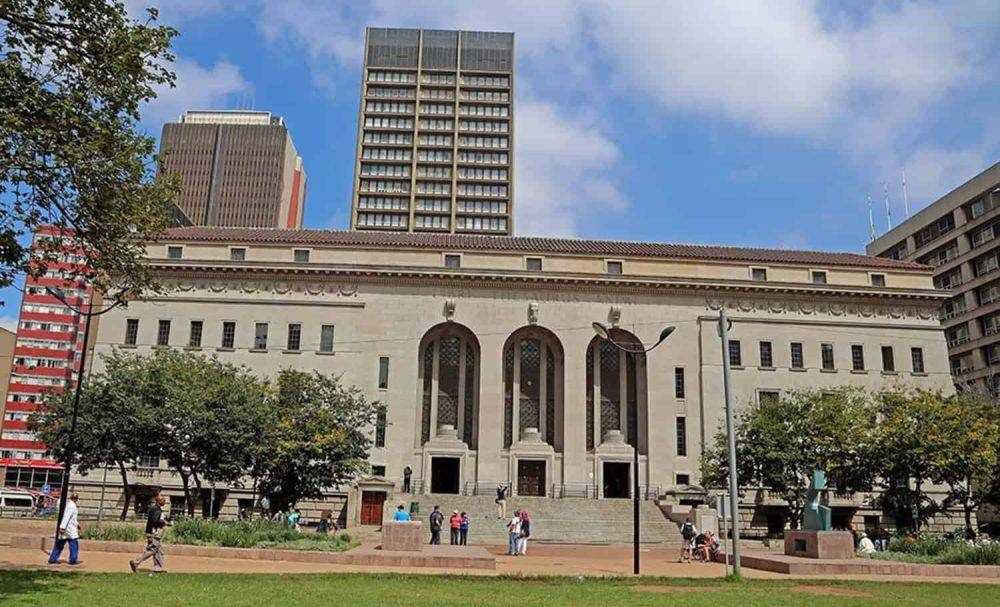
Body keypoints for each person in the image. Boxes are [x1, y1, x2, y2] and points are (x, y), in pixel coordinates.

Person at [130, 494, 168, 574]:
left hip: (152, 532)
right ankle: (136, 562)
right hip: (154, 533)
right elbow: (154, 521)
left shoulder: (155, 509)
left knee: (159, 550)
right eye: (163, 500)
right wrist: (163, 522)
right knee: (152, 549)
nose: (165, 502)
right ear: (159, 501)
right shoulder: (156, 510)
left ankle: (158, 568)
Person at [48, 493, 82, 565]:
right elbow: (67, 517)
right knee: (73, 544)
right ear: (76, 499)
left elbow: (72, 518)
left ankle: (53, 559)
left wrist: (77, 524)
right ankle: (73, 559)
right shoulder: (72, 506)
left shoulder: (70, 505)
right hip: (69, 529)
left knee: (60, 544)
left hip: (68, 527)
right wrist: (62, 527)